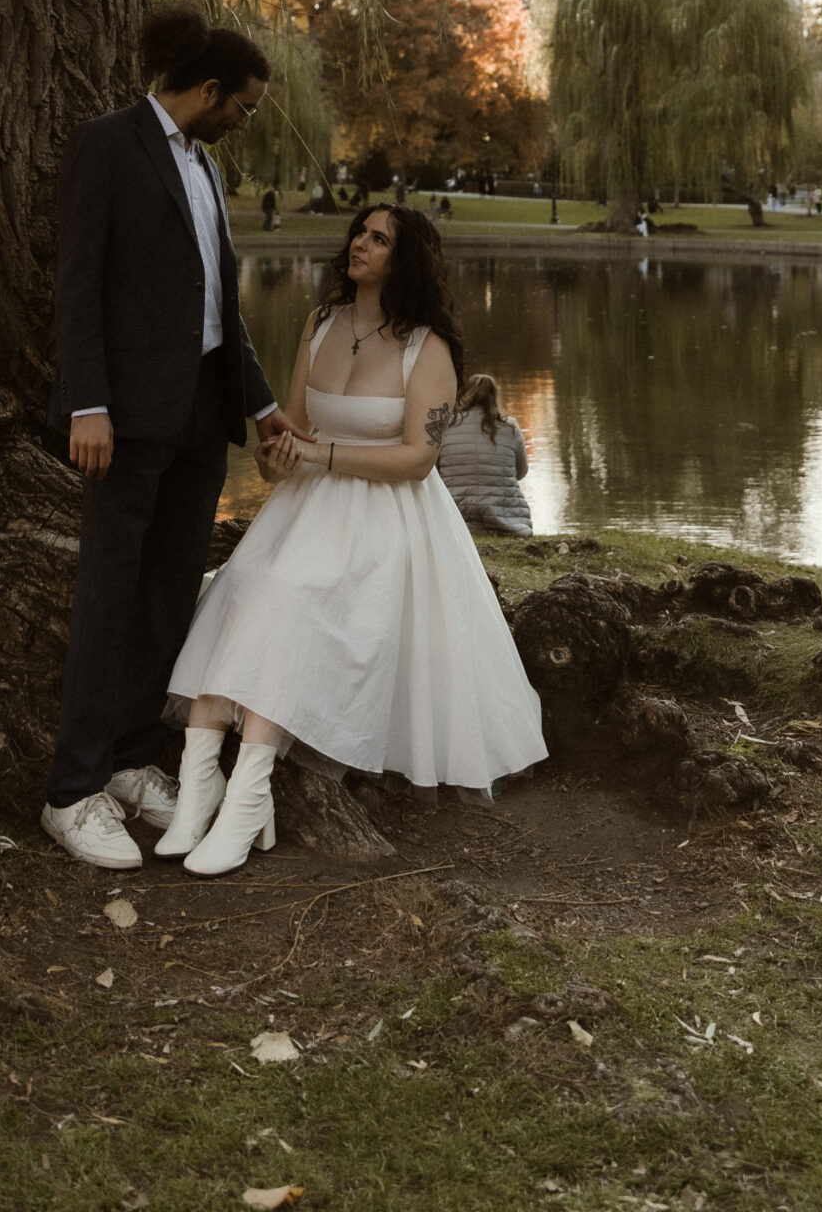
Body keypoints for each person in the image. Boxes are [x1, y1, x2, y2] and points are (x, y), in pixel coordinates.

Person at [155, 204, 547, 876]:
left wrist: (322, 458)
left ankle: (249, 798)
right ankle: (199, 789)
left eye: (377, 238)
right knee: (241, 591)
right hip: (306, 508)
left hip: (386, 518)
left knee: (292, 600)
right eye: (358, 233)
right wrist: (277, 460)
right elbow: (290, 433)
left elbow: (417, 460)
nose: (358, 244)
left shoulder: (431, 348)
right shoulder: (320, 323)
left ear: (406, 259)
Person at [41, 3, 304, 872]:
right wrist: (87, 405)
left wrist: (261, 404)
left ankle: (123, 759)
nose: (246, 120)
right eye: (246, 106)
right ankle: (70, 790)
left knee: (165, 596)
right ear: (207, 88)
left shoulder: (205, 171)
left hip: (199, 416)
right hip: (122, 420)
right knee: (108, 593)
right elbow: (78, 285)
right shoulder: (108, 145)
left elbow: (217, 313)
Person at [437, 373, 535, 535]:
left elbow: (435, 472)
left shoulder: (447, 425)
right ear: (495, 396)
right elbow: (521, 472)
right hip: (504, 517)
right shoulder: (510, 427)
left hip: (456, 515)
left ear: (464, 394)